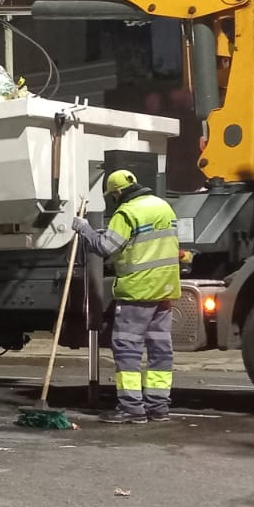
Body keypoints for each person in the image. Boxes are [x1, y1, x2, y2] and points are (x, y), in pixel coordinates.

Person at [72, 169, 182, 424]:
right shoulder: (163, 206)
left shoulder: (127, 212)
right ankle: (158, 407)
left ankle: (131, 408)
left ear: (117, 192)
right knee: (160, 350)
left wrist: (85, 229)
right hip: (165, 290)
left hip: (137, 292)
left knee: (127, 349)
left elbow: (105, 247)